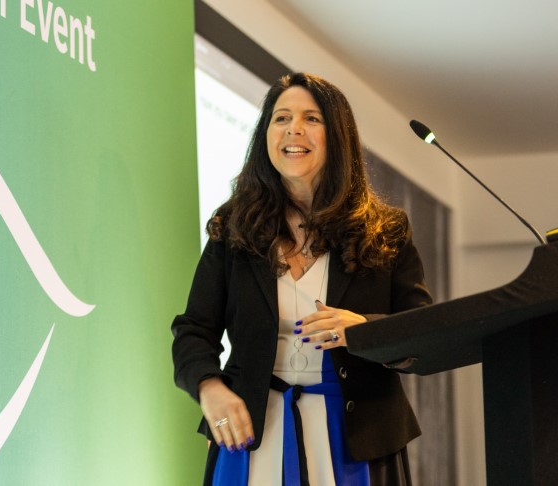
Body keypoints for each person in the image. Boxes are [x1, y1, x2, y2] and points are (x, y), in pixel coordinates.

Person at [172, 72, 431, 485]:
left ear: (338, 137)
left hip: (355, 438)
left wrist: (364, 330)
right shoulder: (233, 225)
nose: (294, 128)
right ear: (266, 136)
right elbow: (193, 331)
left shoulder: (387, 230)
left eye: (312, 118)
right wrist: (209, 386)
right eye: (281, 118)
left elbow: (424, 336)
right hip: (253, 436)